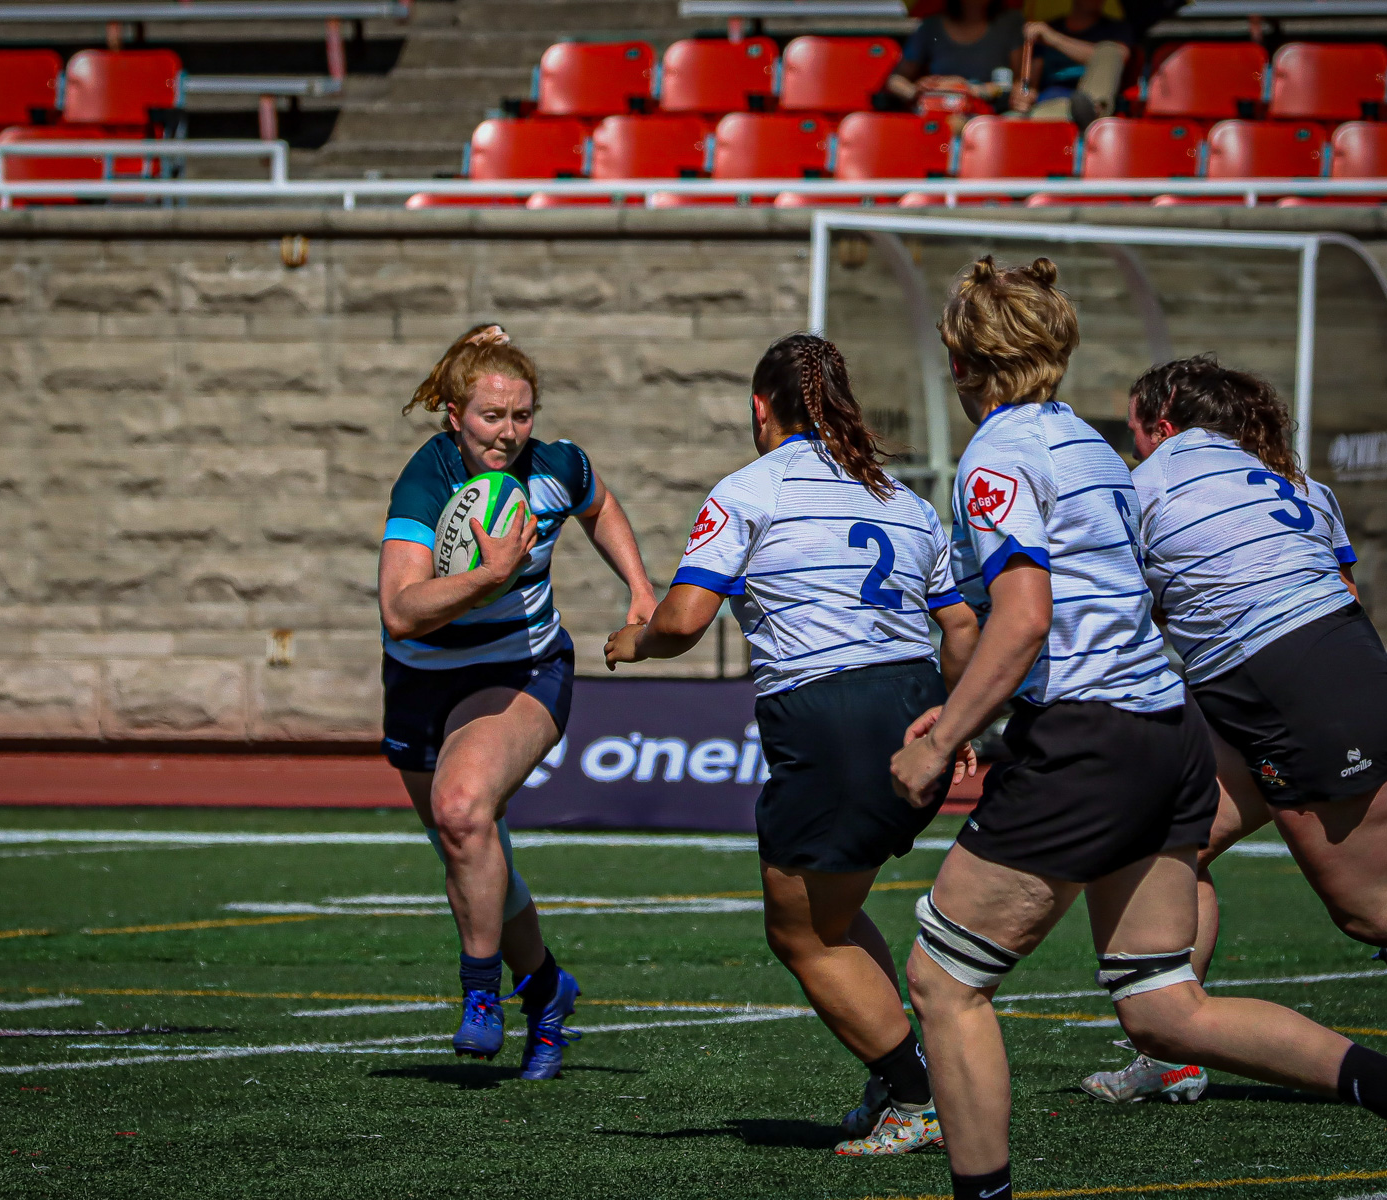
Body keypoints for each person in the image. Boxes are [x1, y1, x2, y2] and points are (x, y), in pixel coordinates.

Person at [889, 256, 1387, 1200]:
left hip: (1088, 744)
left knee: (943, 984)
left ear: (963, 365)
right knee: (1164, 1008)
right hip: (1166, 732)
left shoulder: (996, 455)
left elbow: (1026, 618)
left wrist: (940, 743)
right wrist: (975, 714)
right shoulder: (1092, 446)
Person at [1079, 353, 1387, 1105]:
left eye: (1135, 430)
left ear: (1160, 425)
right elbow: (1341, 589)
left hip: (1293, 692)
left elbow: (1121, 610)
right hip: (1311, 675)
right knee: (1165, 838)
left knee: (1374, 906)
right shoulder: (1297, 482)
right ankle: (1171, 1041)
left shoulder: (1145, 486)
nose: (1132, 446)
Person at [604, 332, 981, 1156]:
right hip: (915, 703)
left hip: (831, 715)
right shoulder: (905, 500)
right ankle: (898, 1079)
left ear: (759, 409)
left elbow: (684, 620)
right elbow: (960, 625)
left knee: (799, 932)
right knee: (835, 914)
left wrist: (631, 641)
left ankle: (919, 1097)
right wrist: (953, 721)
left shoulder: (749, 489)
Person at [377, 323, 656, 1081]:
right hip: (417, 682)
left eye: (520, 415)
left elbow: (598, 505)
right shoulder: (426, 480)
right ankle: (545, 990)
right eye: (490, 416)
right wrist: (490, 574)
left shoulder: (556, 466)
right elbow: (400, 610)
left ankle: (479, 999)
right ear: (455, 415)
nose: (506, 433)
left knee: (463, 812)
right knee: (470, 852)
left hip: (522, 669)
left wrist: (637, 586)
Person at [1009, 0, 1130, 126]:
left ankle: (1089, 110)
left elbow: (1119, 57)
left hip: (1089, 101)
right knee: (1006, 121)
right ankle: (1083, 113)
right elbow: (1029, 83)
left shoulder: (1117, 30)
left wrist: (1054, 39)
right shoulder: (1045, 30)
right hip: (1050, 104)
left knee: (1110, 51)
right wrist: (1021, 95)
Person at [886, 0, 1023, 107]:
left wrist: (969, 88)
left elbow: (1020, 81)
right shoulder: (931, 26)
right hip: (940, 112)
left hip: (990, 119)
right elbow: (895, 80)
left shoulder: (1011, 23)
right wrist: (916, 92)